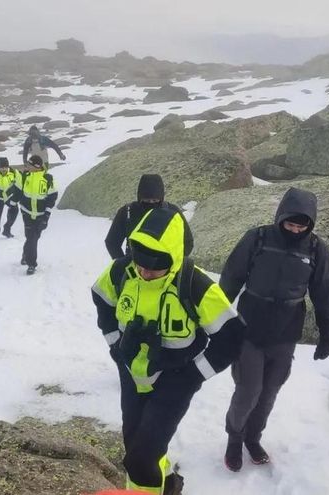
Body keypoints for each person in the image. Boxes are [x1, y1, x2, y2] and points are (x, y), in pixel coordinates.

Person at [91, 206, 244, 494]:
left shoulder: (195, 285)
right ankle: (169, 483)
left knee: (140, 458)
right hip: (131, 374)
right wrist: (115, 345)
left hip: (174, 380)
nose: (145, 272)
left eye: (155, 267)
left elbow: (233, 338)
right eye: (141, 264)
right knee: (134, 441)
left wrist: (192, 375)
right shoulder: (121, 271)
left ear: (173, 258)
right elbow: (101, 299)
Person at [218, 187, 329, 471]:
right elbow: (230, 279)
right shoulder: (257, 238)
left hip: (286, 331)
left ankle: (253, 438)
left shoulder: (316, 249)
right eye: (290, 223)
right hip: (250, 326)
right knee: (248, 389)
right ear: (279, 216)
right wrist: (217, 322)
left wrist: (327, 333)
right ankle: (234, 440)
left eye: (301, 225)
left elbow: (325, 292)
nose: (295, 230)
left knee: (269, 391)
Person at [105, 174, 193, 260]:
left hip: (164, 268)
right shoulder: (127, 212)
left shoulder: (172, 212)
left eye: (155, 200)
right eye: (146, 200)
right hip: (135, 267)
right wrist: (122, 264)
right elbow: (112, 242)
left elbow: (187, 241)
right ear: (139, 197)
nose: (151, 203)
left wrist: (174, 263)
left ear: (161, 198)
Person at [7, 155, 57, 275]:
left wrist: (46, 216)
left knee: (34, 238)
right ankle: (32, 264)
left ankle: (26, 254)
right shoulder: (24, 177)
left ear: (37, 166)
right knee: (31, 237)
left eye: (30, 165)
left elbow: (52, 198)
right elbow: (18, 193)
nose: (27, 166)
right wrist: (12, 205)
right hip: (27, 213)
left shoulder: (48, 179)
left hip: (41, 215)